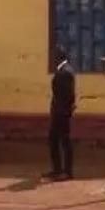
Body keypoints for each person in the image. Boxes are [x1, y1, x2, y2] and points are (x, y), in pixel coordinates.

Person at [45, 48, 76, 182]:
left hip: (61, 113)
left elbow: (68, 95)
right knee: (56, 140)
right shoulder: (64, 71)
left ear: (58, 58)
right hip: (60, 112)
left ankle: (66, 171)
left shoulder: (65, 72)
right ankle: (58, 170)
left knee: (63, 141)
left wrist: (64, 111)